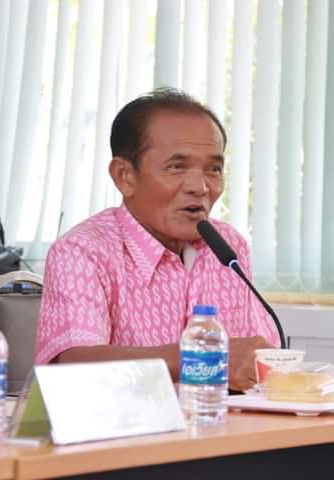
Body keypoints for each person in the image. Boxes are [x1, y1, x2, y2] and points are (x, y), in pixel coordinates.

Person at [35, 89, 279, 392]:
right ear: (125, 176)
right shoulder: (82, 251)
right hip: (125, 421)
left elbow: (259, 356)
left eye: (213, 169)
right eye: (176, 167)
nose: (200, 187)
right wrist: (202, 358)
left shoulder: (228, 246)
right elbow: (74, 364)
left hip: (220, 420)